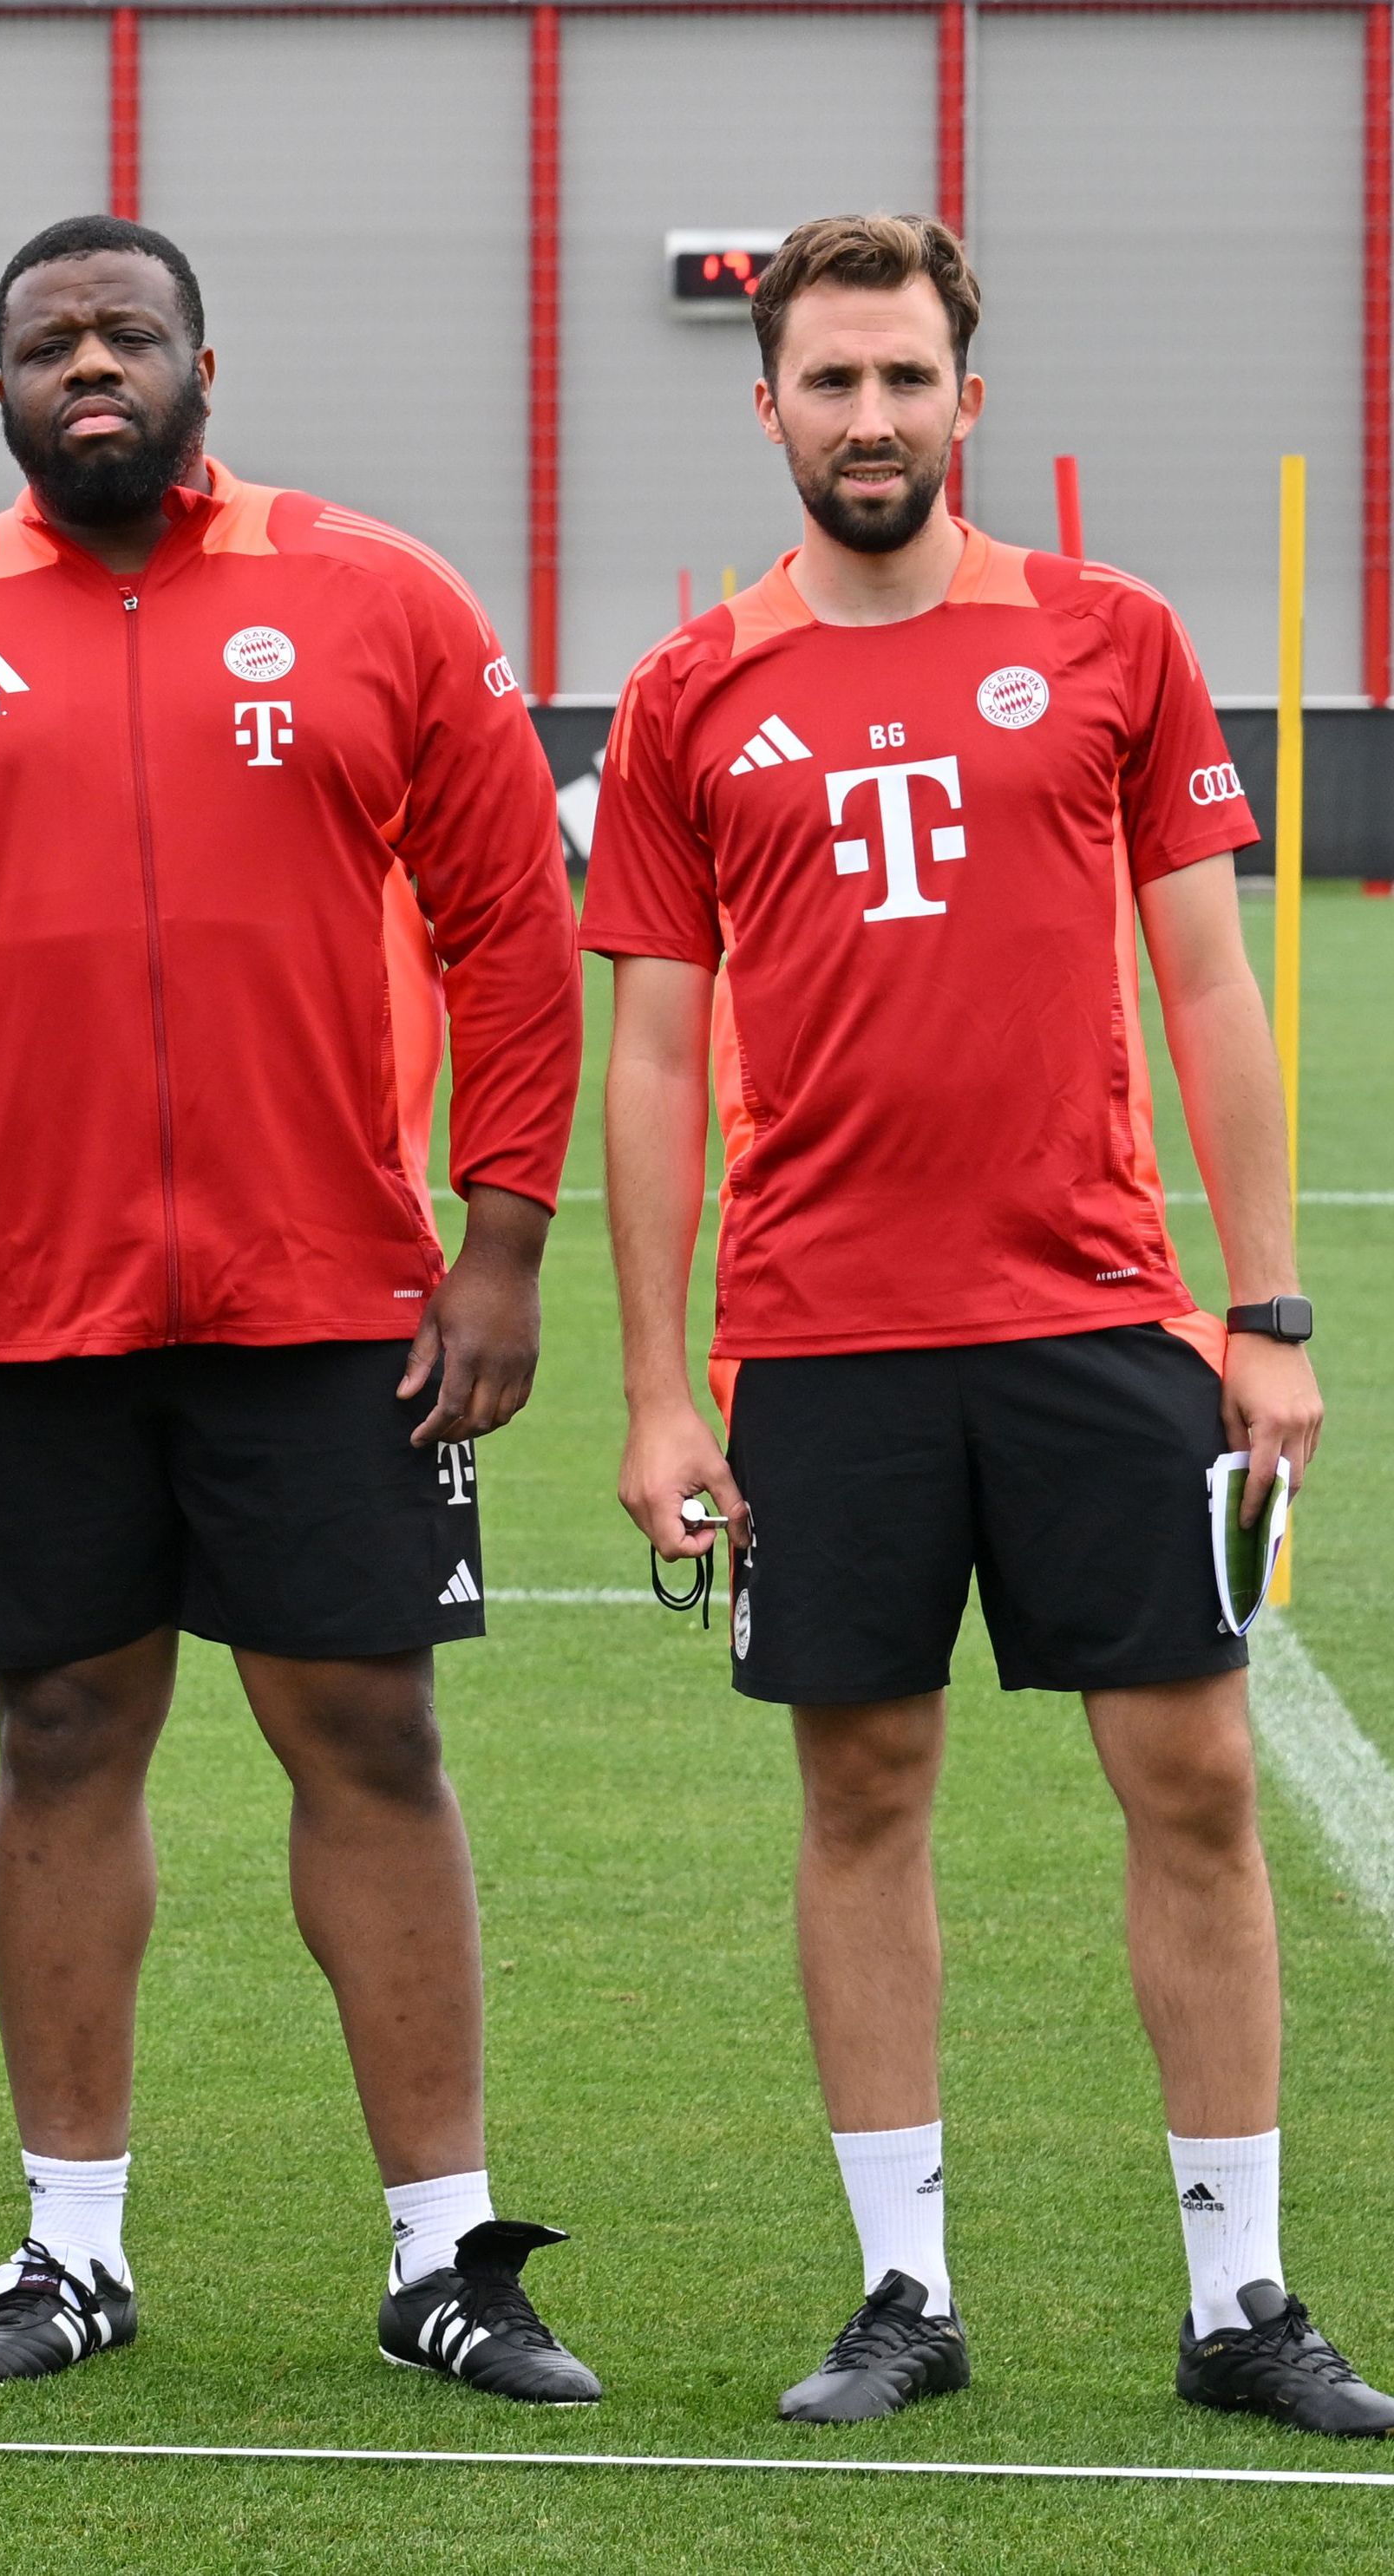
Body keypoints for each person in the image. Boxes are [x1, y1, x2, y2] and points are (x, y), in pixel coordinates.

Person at [595, 213, 1381, 2436]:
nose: (868, 417)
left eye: (903, 378)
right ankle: (902, 2290)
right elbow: (657, 1062)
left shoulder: (1111, 641)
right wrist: (663, 1385)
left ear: (967, 395)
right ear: (770, 409)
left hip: (1098, 1323)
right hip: (825, 1347)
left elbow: (1211, 984)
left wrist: (1268, 1307)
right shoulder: (686, 695)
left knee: (1198, 1777)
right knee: (863, 1786)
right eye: (827, 383)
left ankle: (1242, 2301)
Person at [0, 214, 599, 2401]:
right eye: (48, 340)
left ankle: (447, 2255)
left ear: (202, 368)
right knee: (60, 1737)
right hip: (17, 1307)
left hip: (333, 1298)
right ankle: (71, 2248)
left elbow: (514, 927)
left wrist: (505, 1236)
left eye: (125, 335)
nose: (91, 366)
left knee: (370, 1736)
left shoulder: (378, 596)